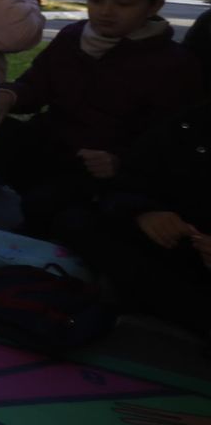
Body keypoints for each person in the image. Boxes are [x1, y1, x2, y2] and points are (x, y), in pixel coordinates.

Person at [0, 0, 201, 238]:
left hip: (105, 169)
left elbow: (168, 139)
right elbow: (35, 85)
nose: (106, 12)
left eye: (123, 4)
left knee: (49, 206)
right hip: (50, 143)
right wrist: (9, 95)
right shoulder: (72, 37)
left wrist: (119, 160)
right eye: (96, 1)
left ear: (154, 6)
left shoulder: (173, 64)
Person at [57, 97, 210, 341]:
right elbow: (128, 181)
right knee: (77, 221)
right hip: (177, 246)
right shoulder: (189, 124)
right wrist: (144, 213)